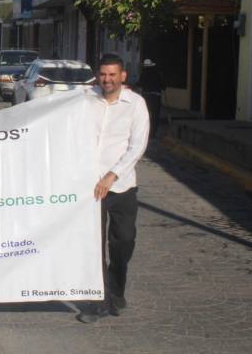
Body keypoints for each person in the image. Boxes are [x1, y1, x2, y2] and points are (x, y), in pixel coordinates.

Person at [76, 53, 150, 324]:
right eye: (103, 74)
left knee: (123, 243)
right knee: (94, 246)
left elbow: (137, 146)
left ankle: (117, 289)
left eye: (111, 74)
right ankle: (99, 301)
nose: (106, 79)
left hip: (122, 186)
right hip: (90, 188)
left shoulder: (136, 104)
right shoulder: (86, 100)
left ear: (122, 76)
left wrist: (111, 176)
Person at [137, 58, 165, 139]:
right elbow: (164, 87)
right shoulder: (158, 74)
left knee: (146, 115)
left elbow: (140, 84)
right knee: (155, 115)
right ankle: (153, 133)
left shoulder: (144, 74)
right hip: (156, 97)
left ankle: (146, 132)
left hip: (147, 97)